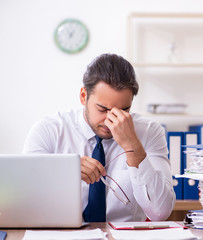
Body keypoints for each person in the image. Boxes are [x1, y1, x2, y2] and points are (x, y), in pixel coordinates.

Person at [23, 53, 175, 222]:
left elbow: (160, 212)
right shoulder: (48, 130)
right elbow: (23, 200)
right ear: (83, 96)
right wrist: (62, 171)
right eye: (102, 109)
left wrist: (132, 145)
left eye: (123, 110)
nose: (111, 120)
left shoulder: (149, 131)